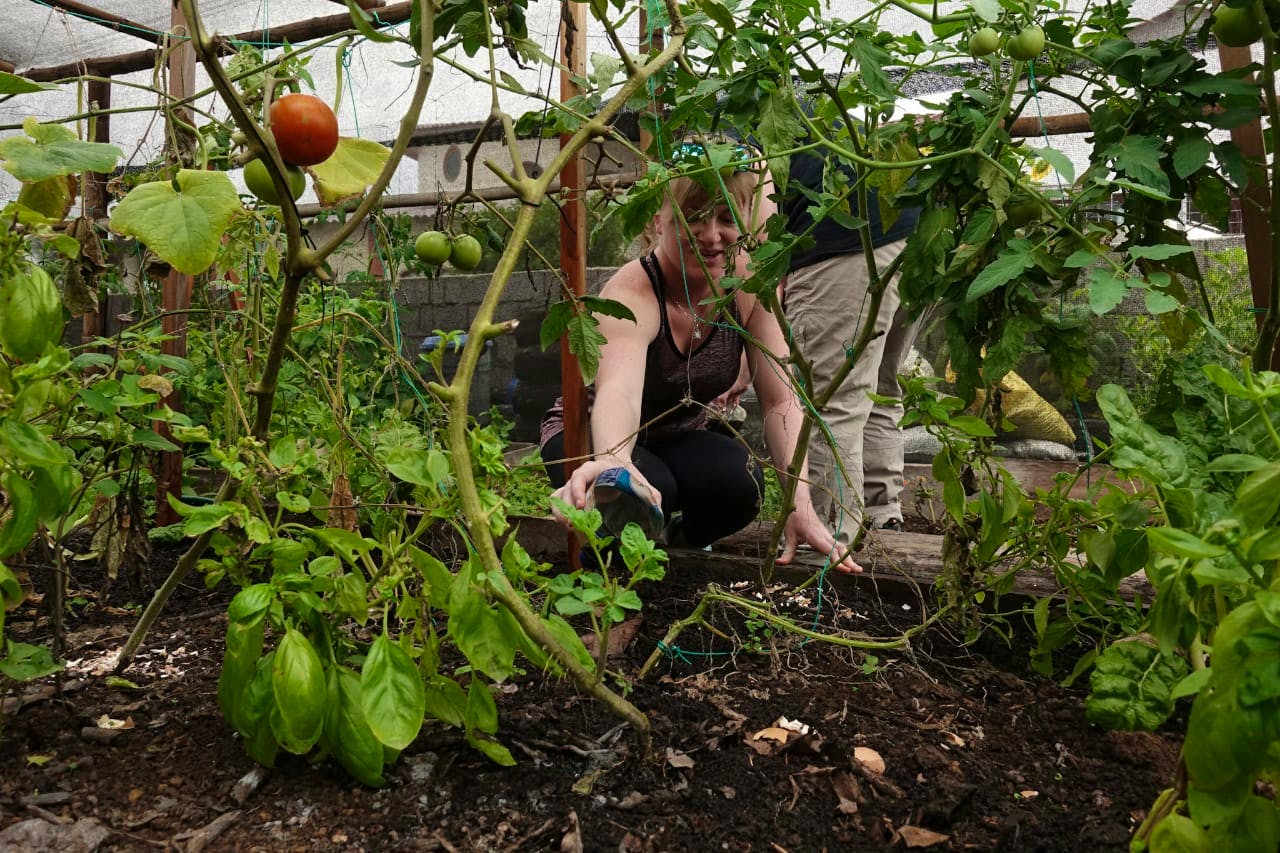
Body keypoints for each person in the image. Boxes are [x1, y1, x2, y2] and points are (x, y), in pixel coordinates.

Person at [540, 139, 859, 573]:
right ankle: (607, 583)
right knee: (645, 490)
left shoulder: (750, 286)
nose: (710, 236)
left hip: (674, 435)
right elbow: (619, 392)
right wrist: (615, 462)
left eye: (727, 218)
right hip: (589, 435)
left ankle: (677, 549)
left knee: (739, 479)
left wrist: (797, 501)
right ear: (658, 222)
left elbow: (781, 400)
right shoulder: (633, 292)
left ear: (746, 220)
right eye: (692, 218)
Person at [780, 148, 923, 549]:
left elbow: (748, 214)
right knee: (878, 385)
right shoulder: (810, 105)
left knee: (829, 399)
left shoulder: (736, 120)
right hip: (910, 234)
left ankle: (826, 539)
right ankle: (880, 513)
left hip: (842, 243)